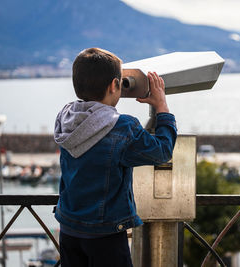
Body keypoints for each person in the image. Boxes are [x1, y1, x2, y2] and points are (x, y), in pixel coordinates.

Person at [53, 48, 177, 267]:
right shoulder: (122, 128)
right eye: (121, 81)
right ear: (113, 85)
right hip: (106, 233)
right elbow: (163, 151)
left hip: (70, 228)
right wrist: (161, 107)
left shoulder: (66, 117)